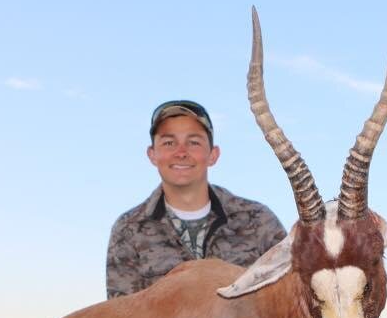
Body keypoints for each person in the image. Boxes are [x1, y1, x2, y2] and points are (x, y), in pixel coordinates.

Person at [106, 99, 287, 298]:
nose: (181, 153)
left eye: (193, 142)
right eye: (169, 142)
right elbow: (122, 317)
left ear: (213, 155)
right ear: (152, 155)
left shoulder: (259, 221)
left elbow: (291, 299)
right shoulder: (128, 230)